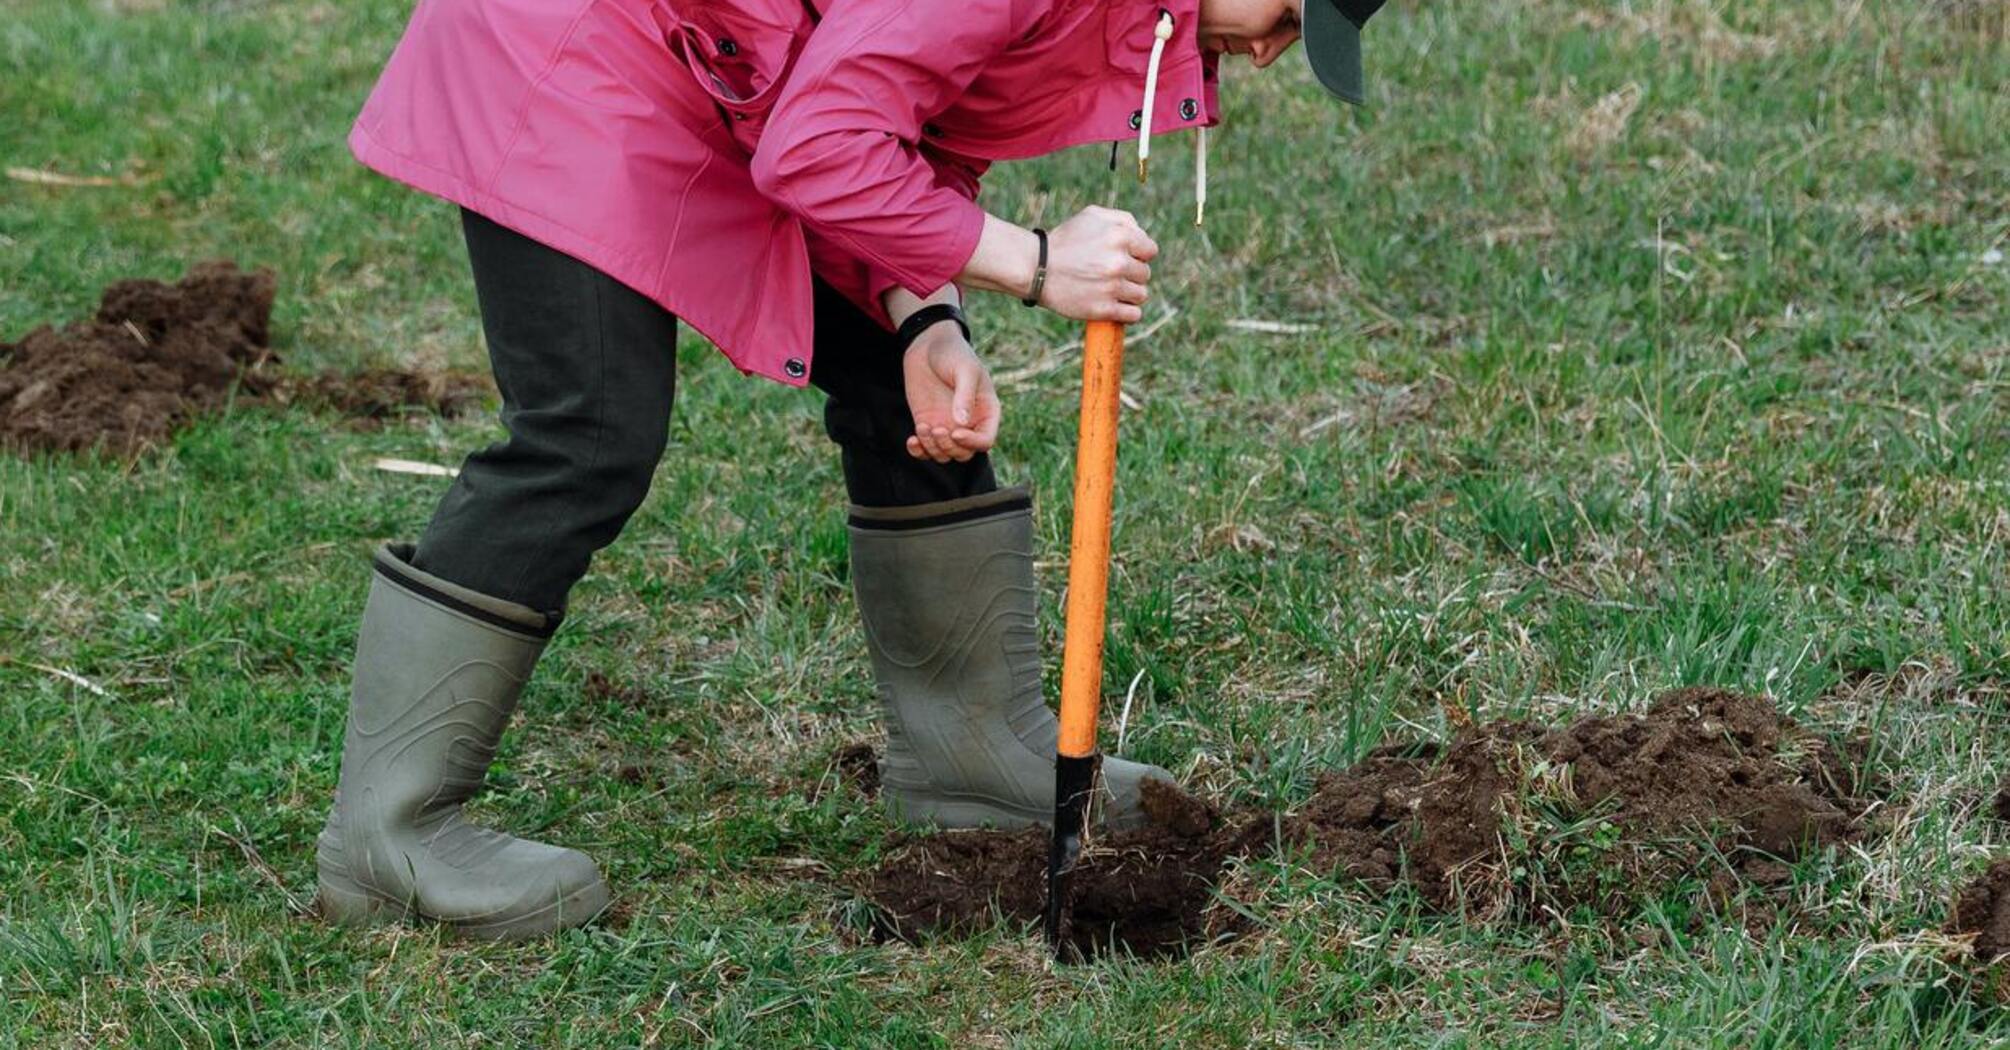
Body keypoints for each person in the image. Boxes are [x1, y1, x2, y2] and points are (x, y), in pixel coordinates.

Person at [316, 0, 1387, 940]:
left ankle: (973, 759)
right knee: (586, 434)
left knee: (904, 379)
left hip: (734, 71)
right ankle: (387, 834)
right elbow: (820, 146)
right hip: (579, 51)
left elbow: (894, 135)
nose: (1266, 55)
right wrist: (1038, 262)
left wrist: (923, 318)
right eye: (1290, 18)